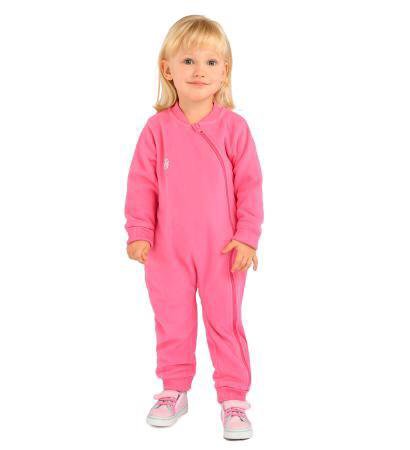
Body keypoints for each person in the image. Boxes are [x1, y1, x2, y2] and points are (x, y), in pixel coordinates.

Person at [124, 15, 264, 440]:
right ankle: (174, 389)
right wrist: (139, 232)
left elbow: (250, 187)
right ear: (167, 69)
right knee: (172, 321)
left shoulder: (234, 128)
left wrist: (247, 237)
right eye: (188, 61)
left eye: (210, 62)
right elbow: (141, 184)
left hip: (223, 250)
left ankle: (234, 399)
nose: (199, 71)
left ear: (225, 71)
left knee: (225, 323)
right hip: (166, 250)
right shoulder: (157, 129)